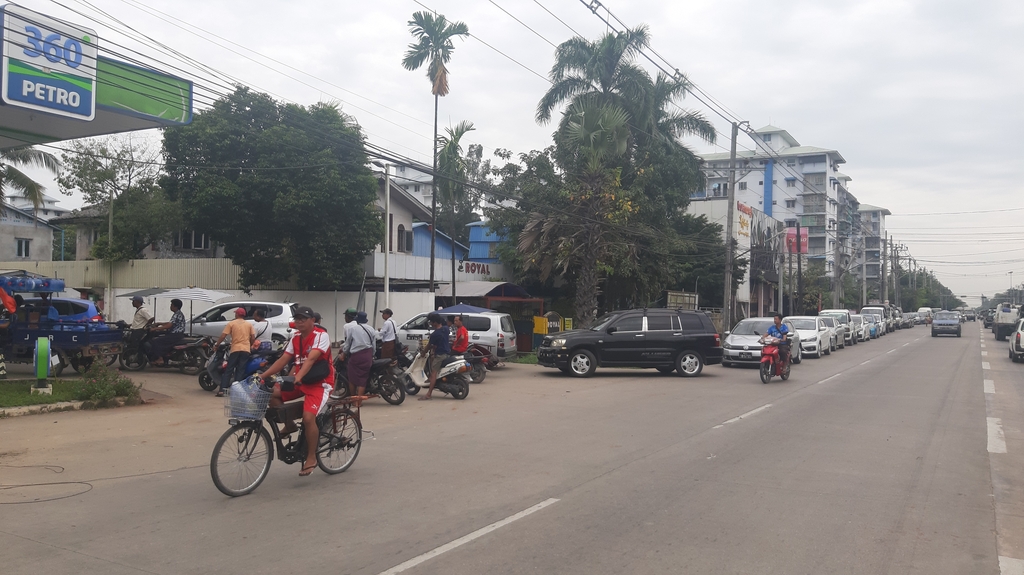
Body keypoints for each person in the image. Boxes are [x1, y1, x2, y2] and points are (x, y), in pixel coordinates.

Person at [260, 306, 334, 477]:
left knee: (309, 418)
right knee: (271, 393)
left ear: (312, 320)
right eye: (297, 318)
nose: (299, 321)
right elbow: (283, 359)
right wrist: (262, 376)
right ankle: (290, 425)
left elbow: (311, 359)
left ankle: (311, 457)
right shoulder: (295, 338)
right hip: (300, 380)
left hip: (320, 384)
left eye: (303, 318)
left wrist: (297, 377)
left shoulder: (321, 336)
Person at [214, 308, 255, 397]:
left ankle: (222, 391)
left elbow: (223, 335)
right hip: (245, 350)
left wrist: (217, 344)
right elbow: (253, 337)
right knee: (240, 370)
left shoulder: (231, 323)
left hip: (235, 349)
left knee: (229, 369)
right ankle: (237, 392)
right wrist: (249, 345)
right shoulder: (249, 324)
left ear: (237, 314)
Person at [339, 309, 377, 397]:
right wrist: (372, 355)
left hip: (356, 356)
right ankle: (359, 401)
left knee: (352, 378)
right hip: (367, 355)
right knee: (363, 379)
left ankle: (353, 399)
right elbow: (373, 345)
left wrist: (344, 354)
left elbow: (348, 344)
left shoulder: (352, 329)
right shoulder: (371, 329)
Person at [419, 313, 450, 401]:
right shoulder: (446, 329)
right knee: (432, 357)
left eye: (432, 322)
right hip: (448, 353)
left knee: (433, 373)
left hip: (440, 355)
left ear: (435, 322)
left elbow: (429, 345)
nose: (431, 324)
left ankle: (429, 394)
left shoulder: (435, 334)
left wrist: (423, 352)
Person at [148, 299, 186, 365]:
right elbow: (170, 323)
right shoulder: (178, 313)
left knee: (156, 341)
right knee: (158, 335)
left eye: (171, 305)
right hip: (176, 334)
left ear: (175, 306)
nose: (170, 306)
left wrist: (155, 329)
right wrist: (159, 323)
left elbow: (168, 326)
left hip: (175, 335)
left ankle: (160, 358)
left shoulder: (177, 314)